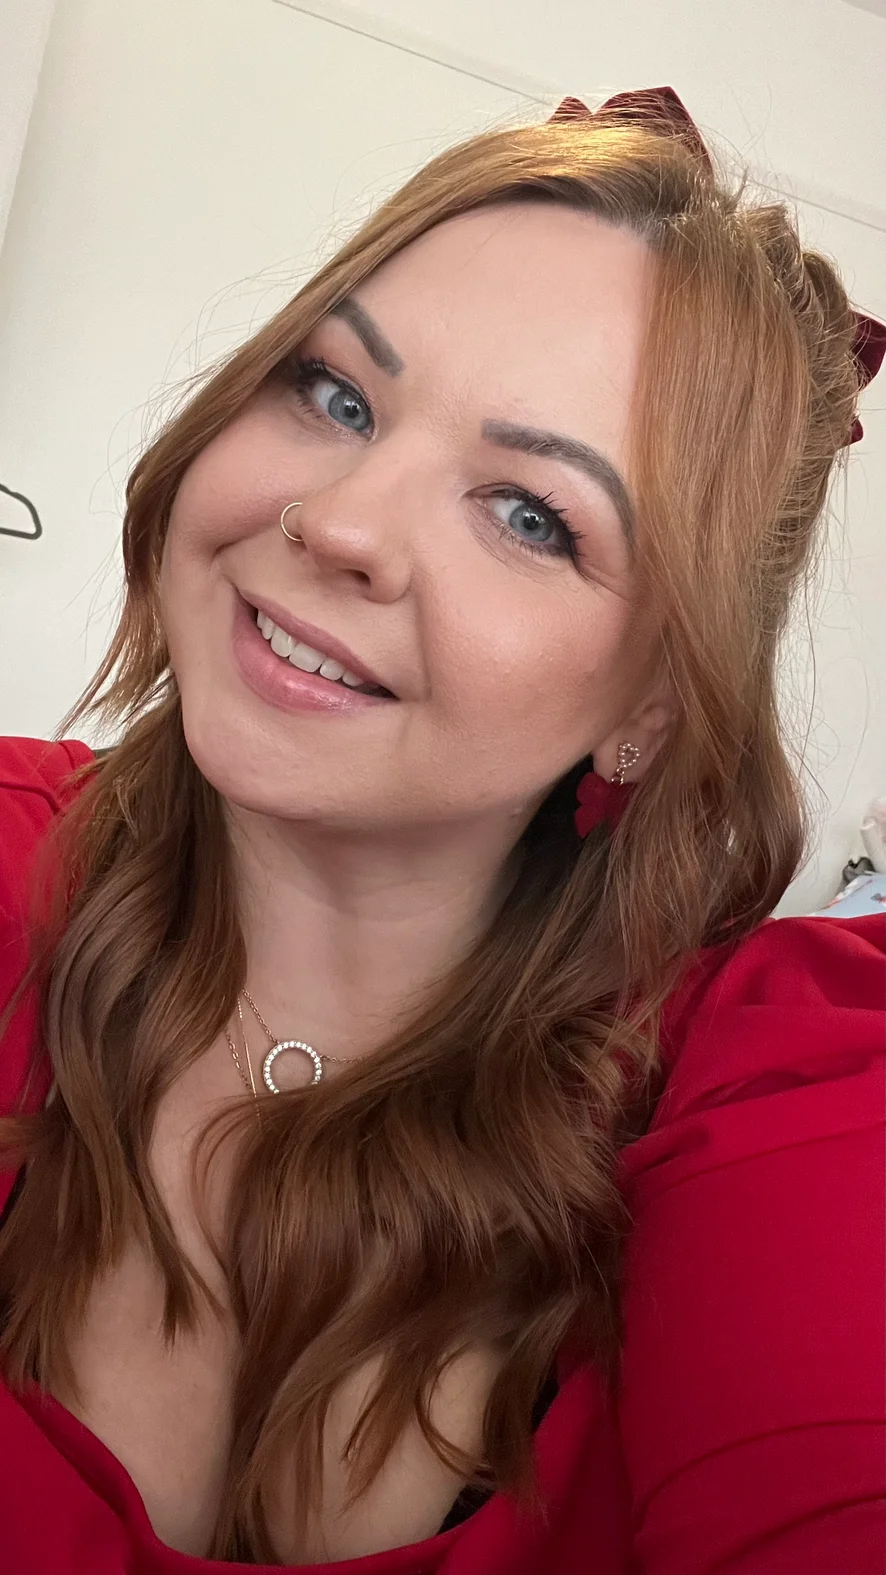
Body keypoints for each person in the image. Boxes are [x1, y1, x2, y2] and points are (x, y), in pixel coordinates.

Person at [0, 85, 883, 1574]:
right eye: (336, 395)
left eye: (531, 513)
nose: (341, 521)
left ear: (653, 705)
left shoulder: (773, 1100)